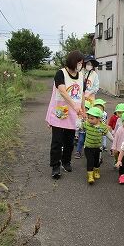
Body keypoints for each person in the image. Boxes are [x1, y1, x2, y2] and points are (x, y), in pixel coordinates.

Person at [46, 50, 85, 179]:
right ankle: (55, 166)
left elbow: (82, 94)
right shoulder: (60, 73)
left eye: (82, 63)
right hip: (60, 111)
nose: (81, 65)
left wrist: (83, 110)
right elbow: (62, 91)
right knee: (57, 140)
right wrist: (74, 105)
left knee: (69, 141)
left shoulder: (81, 75)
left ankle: (66, 161)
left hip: (74, 113)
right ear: (73, 61)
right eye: (79, 62)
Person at [81, 107, 113, 184]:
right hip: (88, 147)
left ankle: (96, 171)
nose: (89, 120)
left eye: (92, 118)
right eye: (88, 118)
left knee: (97, 161)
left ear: (99, 118)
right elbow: (79, 126)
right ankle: (90, 175)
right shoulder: (86, 124)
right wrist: (79, 120)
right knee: (90, 161)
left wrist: (114, 141)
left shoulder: (102, 127)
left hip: (98, 148)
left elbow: (108, 134)